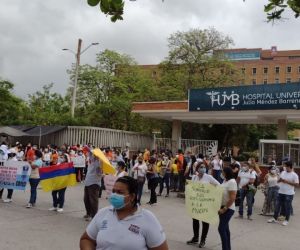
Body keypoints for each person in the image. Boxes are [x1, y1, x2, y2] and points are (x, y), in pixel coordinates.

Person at [79, 176, 169, 250]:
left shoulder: (147, 218)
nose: (114, 195)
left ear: (132, 196)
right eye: (113, 191)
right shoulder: (103, 213)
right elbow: (86, 239)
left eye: (119, 192)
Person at [186, 163, 220, 248]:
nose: (203, 168)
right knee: (195, 220)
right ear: (197, 168)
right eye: (201, 167)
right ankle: (195, 237)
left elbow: (218, 185)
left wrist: (210, 190)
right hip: (196, 202)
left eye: (204, 167)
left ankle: (203, 240)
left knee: (205, 221)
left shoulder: (208, 177)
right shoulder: (194, 177)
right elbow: (191, 187)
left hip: (206, 203)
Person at [268, 161, 299, 226]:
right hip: (280, 192)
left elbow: (296, 185)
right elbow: (279, 180)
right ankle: (274, 218)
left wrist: (286, 181)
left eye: (285, 166)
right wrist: (279, 180)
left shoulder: (294, 175)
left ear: (289, 167)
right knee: (277, 206)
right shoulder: (283, 172)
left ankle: (286, 220)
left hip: (289, 194)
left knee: (287, 207)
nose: (284, 167)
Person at [218, 167, 237, 250]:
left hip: (228, 208)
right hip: (222, 207)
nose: (221, 173)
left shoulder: (232, 182)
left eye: (223, 172)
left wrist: (224, 208)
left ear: (226, 173)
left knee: (221, 228)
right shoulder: (224, 181)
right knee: (225, 229)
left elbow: (232, 197)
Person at [84, 150, 102, 221]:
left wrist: (99, 170)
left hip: (94, 184)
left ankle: (94, 216)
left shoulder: (99, 163)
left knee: (93, 200)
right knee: (86, 199)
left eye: (93, 154)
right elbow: (89, 154)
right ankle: (88, 213)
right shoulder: (91, 160)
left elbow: (99, 174)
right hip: (88, 182)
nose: (91, 155)